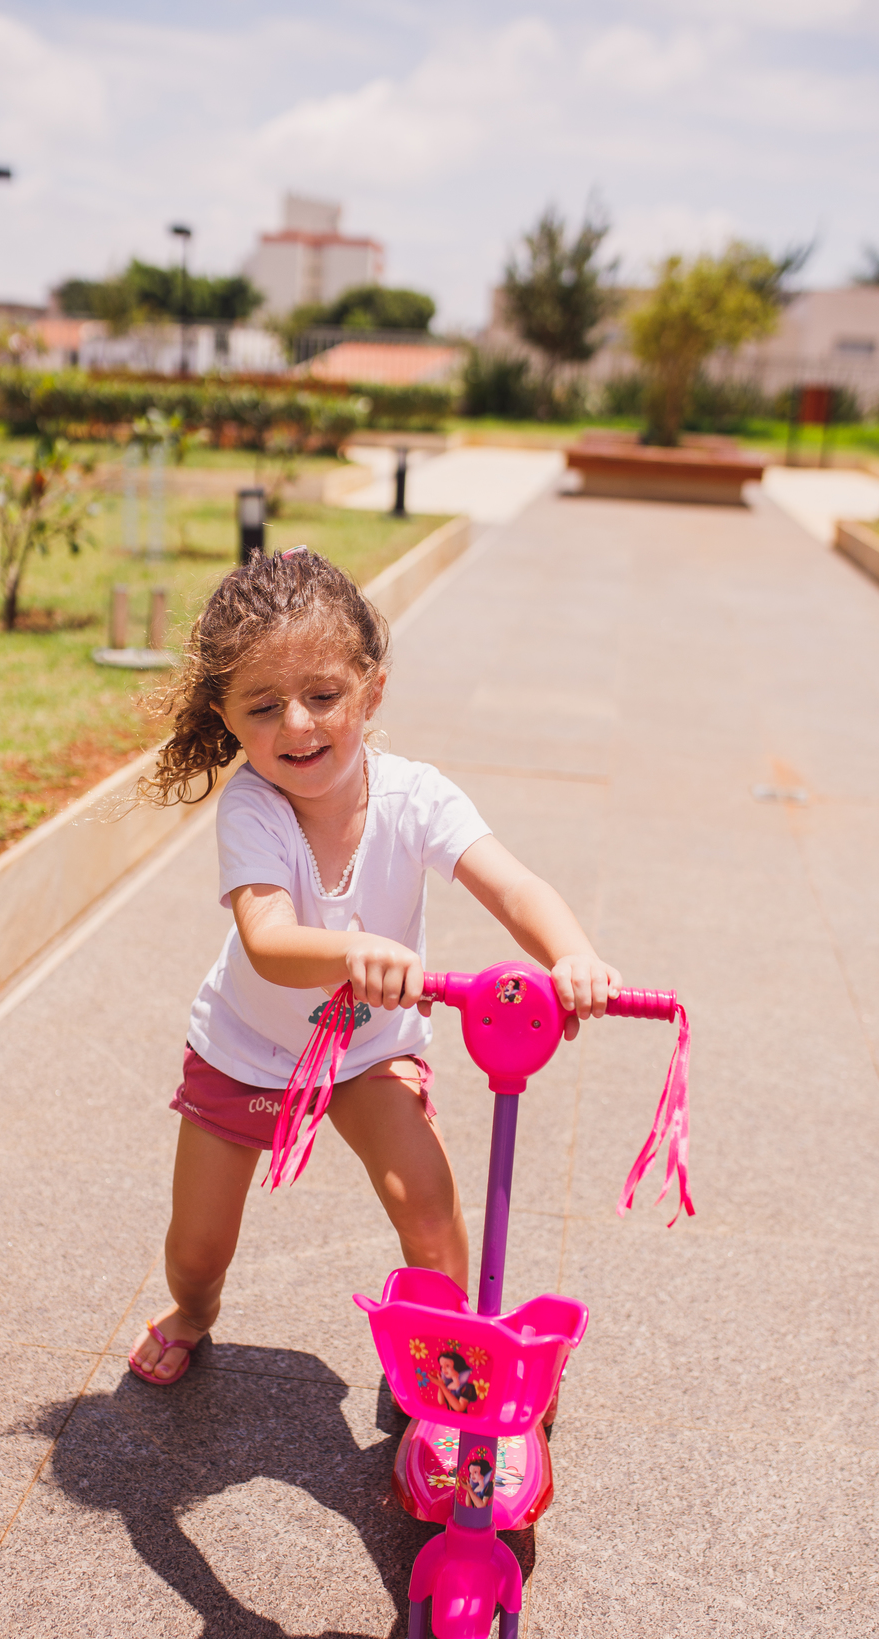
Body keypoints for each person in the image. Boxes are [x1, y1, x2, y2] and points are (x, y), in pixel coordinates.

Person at [128, 549, 620, 1384]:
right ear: (227, 716)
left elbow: (511, 884)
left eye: (323, 696)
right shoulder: (253, 807)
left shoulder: (416, 798)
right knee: (198, 1247)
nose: (297, 726)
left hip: (368, 1048)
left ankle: (449, 1364)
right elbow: (268, 939)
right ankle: (194, 1311)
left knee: (428, 1207)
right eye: (263, 705)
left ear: (371, 690)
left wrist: (572, 954)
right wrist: (354, 953)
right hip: (248, 1043)